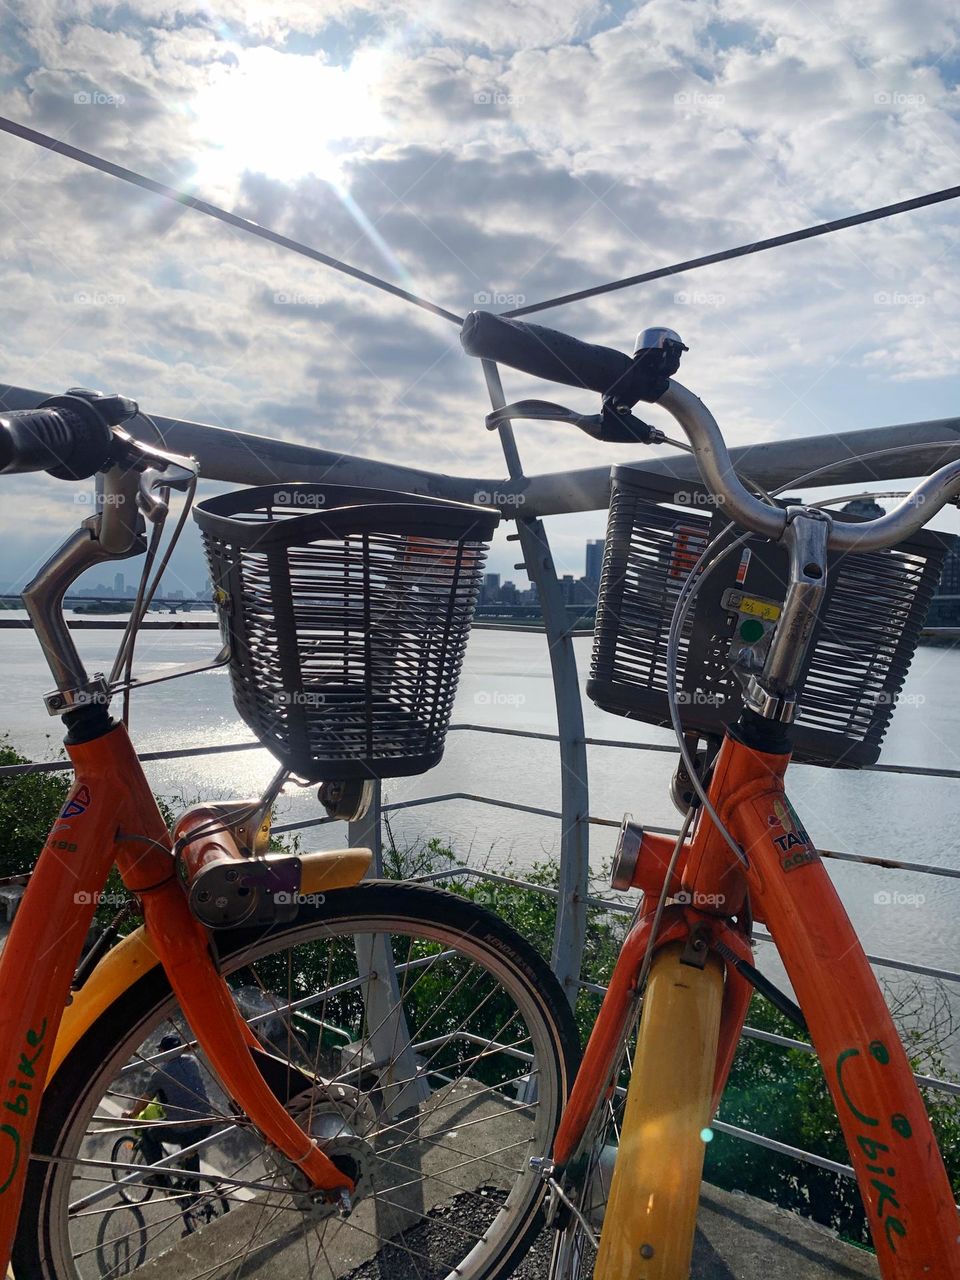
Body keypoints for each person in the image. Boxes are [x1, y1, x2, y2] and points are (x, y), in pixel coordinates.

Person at [123, 1033, 214, 1230]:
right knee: (190, 1148)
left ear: (163, 1053)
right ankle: (194, 1191)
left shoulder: (160, 1074)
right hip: (207, 1122)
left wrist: (131, 1114)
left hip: (185, 1126)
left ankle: (159, 1177)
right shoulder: (191, 1061)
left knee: (149, 1132)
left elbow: (145, 1100)